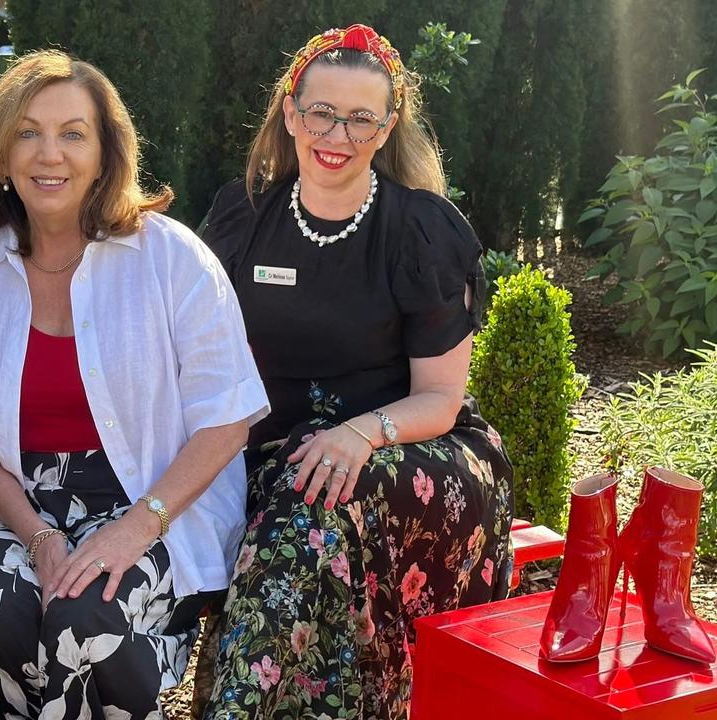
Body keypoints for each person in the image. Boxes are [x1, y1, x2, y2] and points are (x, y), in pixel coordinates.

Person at [199, 24, 515, 720]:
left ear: (387, 126)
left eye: (361, 118)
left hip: (412, 449)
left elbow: (439, 398)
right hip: (277, 452)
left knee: (316, 499)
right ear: (290, 112)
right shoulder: (242, 217)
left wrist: (359, 434)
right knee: (302, 494)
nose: (337, 133)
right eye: (322, 111)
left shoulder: (421, 231)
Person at [0, 50, 269, 720]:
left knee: (86, 621)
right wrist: (34, 534)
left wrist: (136, 527)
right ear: (1, 156)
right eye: (27, 133)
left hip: (151, 498)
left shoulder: (171, 258)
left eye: (72, 134)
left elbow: (227, 417)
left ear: (104, 153)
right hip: (19, 502)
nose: (48, 154)